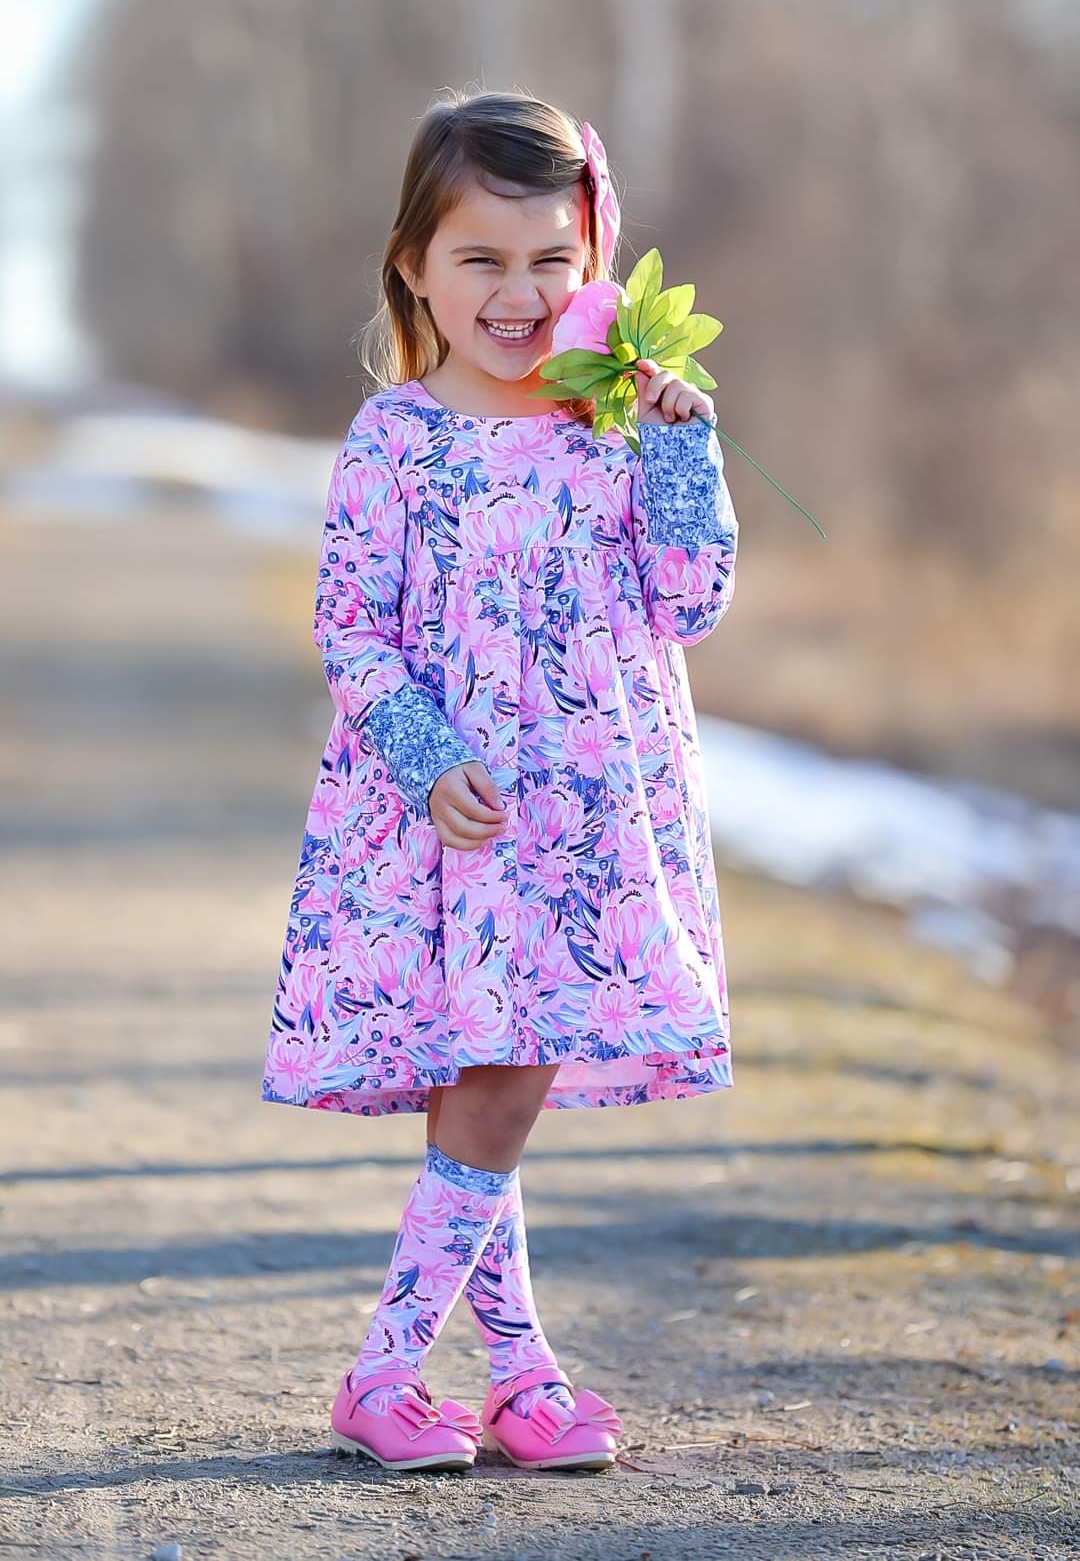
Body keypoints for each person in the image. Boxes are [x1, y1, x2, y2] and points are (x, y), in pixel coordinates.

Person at [261, 88, 740, 1472]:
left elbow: (690, 598)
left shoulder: (619, 428)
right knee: (490, 1081)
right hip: (448, 810)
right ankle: (392, 1371)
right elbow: (352, 627)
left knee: (501, 1080)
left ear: (595, 267)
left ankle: (520, 1378)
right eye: (481, 259)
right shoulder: (395, 442)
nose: (520, 293)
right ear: (414, 265)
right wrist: (426, 761)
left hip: (586, 818)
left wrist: (682, 447)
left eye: (551, 259)